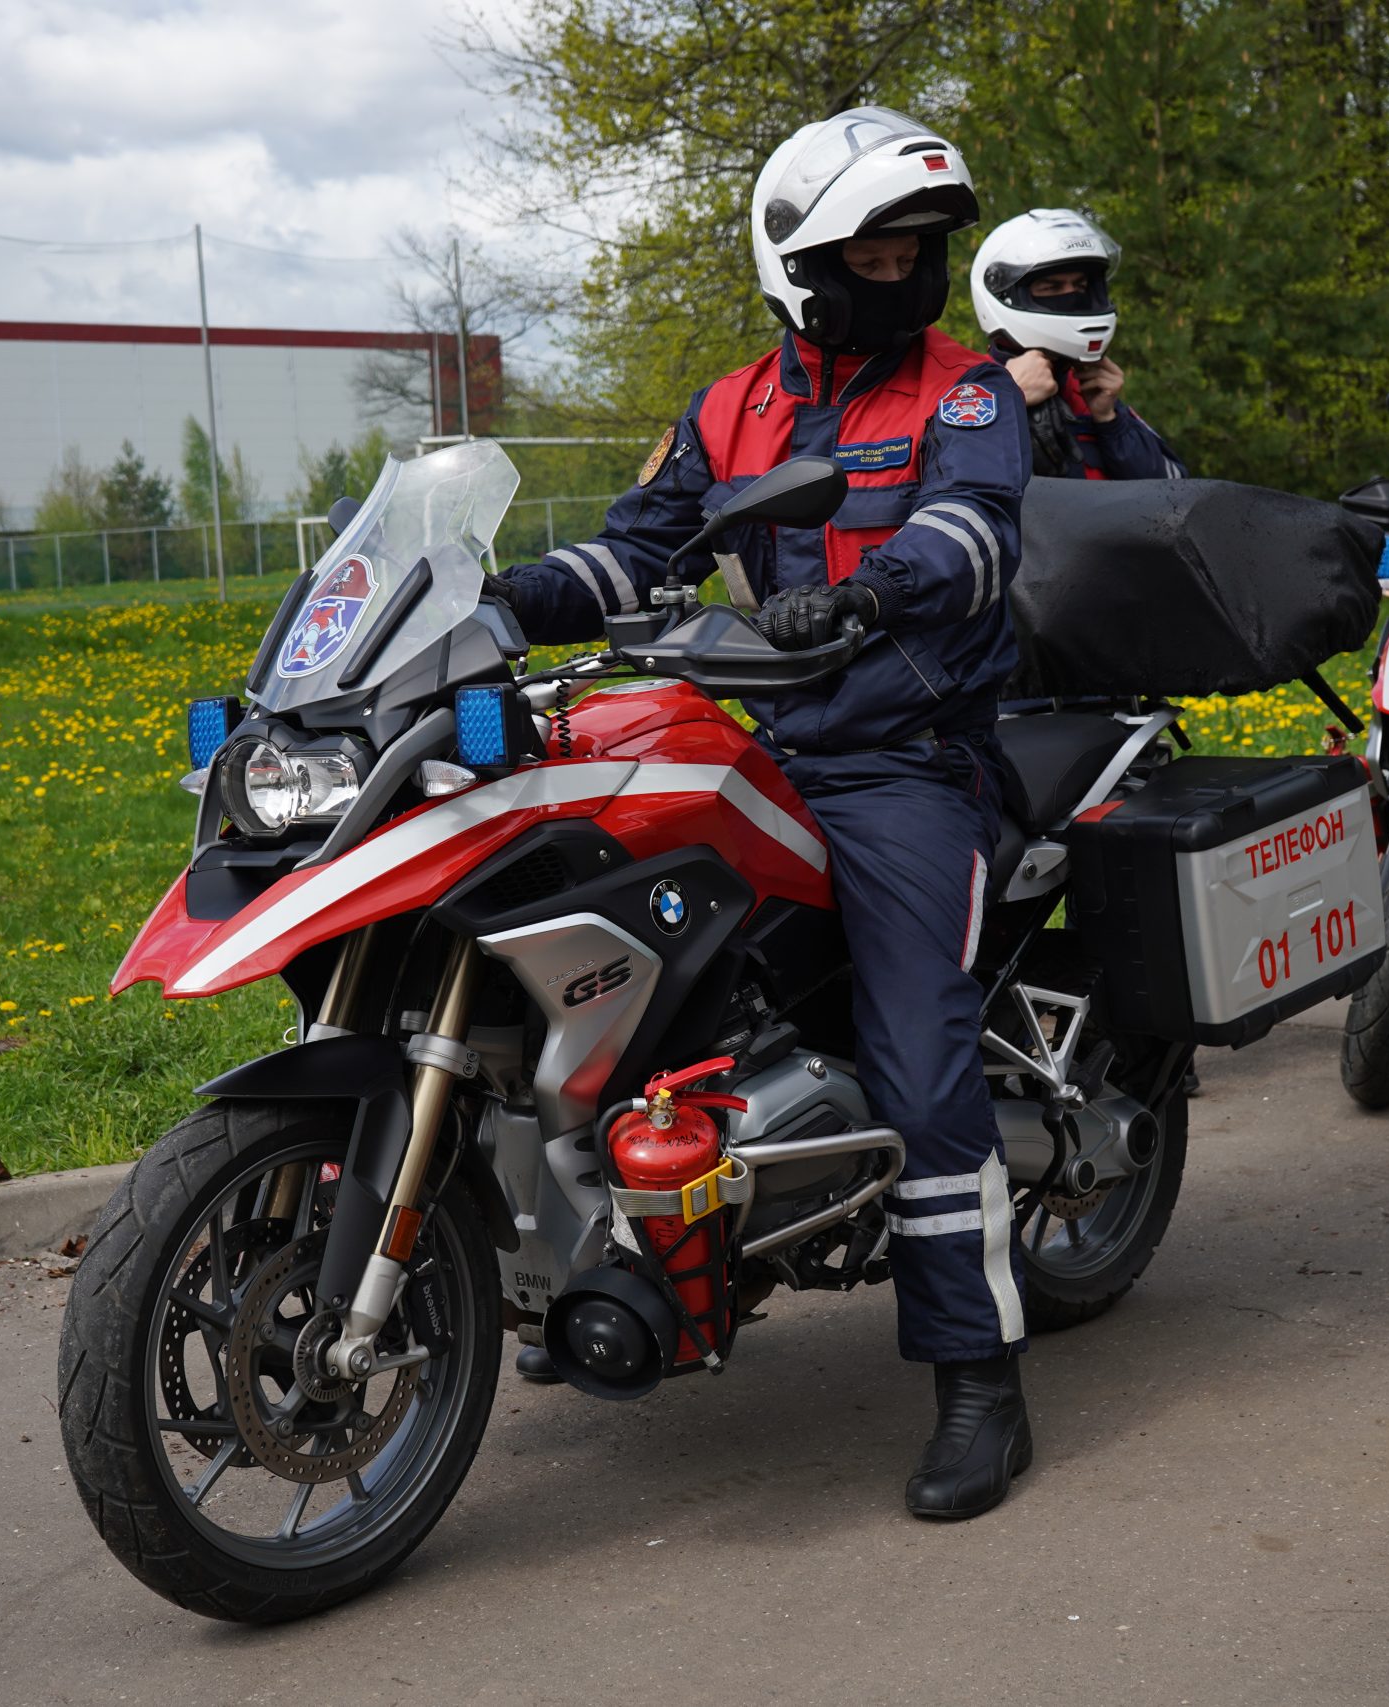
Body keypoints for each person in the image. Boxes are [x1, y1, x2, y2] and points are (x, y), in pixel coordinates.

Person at [493, 107, 1036, 1521]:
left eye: (922, 243)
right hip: (764, 744)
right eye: (877, 243)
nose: (907, 265)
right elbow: (636, 546)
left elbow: (971, 530)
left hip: (910, 760)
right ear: (802, 259)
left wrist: (868, 590)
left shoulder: (968, 391)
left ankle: (980, 1376)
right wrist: (497, 602)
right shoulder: (731, 407)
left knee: (923, 1058)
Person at [971, 209, 1184, 481]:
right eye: (1052, 287)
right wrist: (1006, 401)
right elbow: (947, 492)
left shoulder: (1090, 386)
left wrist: (1111, 422)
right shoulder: (970, 391)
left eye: (1081, 286)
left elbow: (1173, 490)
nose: (1071, 297)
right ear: (1006, 295)